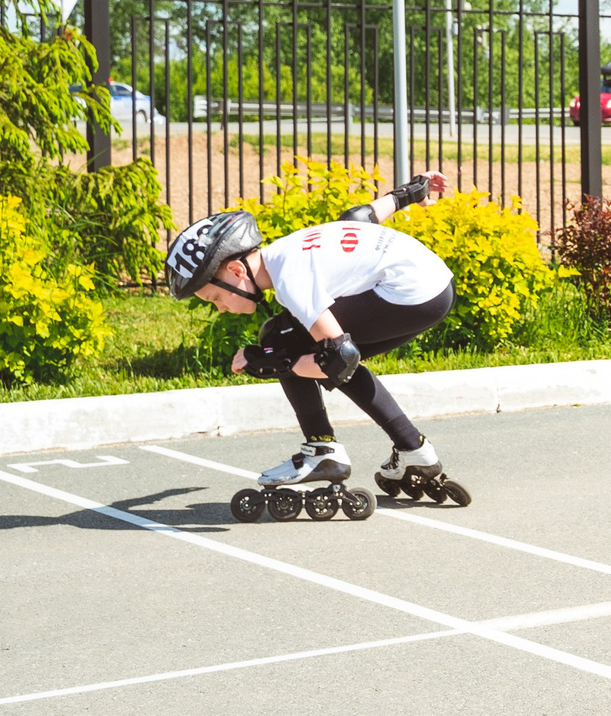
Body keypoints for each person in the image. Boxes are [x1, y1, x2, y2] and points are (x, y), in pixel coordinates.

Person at [164, 173, 463, 502]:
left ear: (236, 270)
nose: (220, 308)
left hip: (411, 295)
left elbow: (339, 359)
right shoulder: (286, 250)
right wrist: (410, 193)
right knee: (296, 341)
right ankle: (413, 450)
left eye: (214, 298)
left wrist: (270, 361)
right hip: (435, 287)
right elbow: (359, 218)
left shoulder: (292, 278)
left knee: (281, 340)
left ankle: (322, 450)